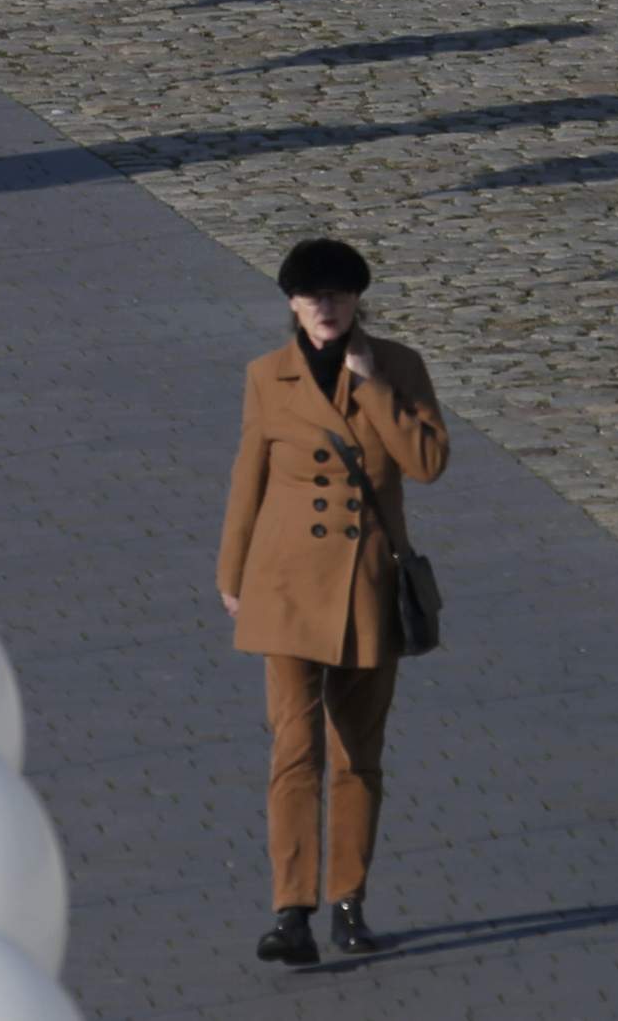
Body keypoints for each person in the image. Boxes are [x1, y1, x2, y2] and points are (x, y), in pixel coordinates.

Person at [216, 237, 450, 967]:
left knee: (358, 756)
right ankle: (292, 912)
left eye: (340, 297)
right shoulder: (267, 376)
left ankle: (349, 903)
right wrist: (232, 574)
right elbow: (247, 477)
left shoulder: (399, 365)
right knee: (294, 750)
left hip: (366, 588)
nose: (327, 308)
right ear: (292, 303)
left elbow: (428, 463)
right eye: (314, 297)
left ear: (357, 303)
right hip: (286, 588)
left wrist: (373, 386)